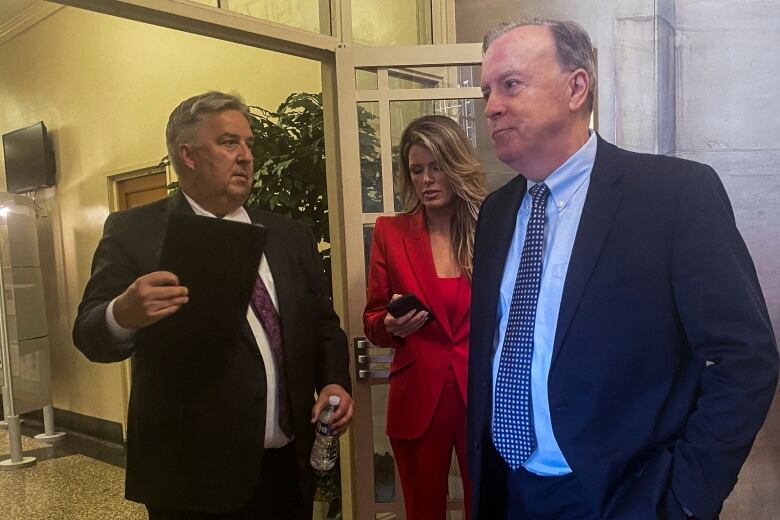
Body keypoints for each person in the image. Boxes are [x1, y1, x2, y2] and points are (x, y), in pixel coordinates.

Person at [468, 18, 779, 520]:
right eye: (487, 91)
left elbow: (746, 359)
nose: (492, 106)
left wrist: (685, 497)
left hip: (627, 495)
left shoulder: (673, 195)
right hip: (511, 491)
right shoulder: (497, 212)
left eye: (511, 84)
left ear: (576, 87)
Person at [73, 91, 353, 519]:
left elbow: (322, 325)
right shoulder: (136, 231)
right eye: (228, 143)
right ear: (187, 154)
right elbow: (90, 334)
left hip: (286, 469)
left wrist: (335, 381)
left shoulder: (289, 234)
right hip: (191, 478)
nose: (245, 156)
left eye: (249, 144)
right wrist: (121, 314)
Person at [363, 115, 486, 519]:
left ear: (456, 166)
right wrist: (390, 326)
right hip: (418, 398)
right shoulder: (390, 232)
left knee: (488, 505)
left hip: (481, 394)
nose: (427, 179)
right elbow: (373, 319)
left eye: (437, 167)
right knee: (422, 511)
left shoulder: (491, 228)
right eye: (417, 170)